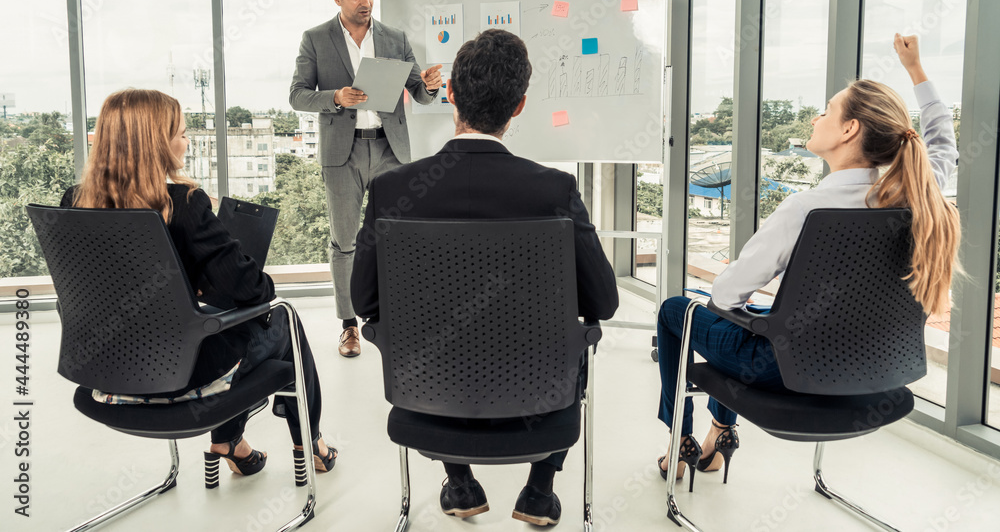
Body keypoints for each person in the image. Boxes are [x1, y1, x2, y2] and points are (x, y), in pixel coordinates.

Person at [654, 33, 961, 489]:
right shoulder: (917, 195)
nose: (817, 118)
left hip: (789, 372)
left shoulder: (805, 210)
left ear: (850, 129)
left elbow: (725, 294)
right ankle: (720, 433)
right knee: (748, 316)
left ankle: (680, 440)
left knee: (681, 308)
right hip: (875, 369)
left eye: (828, 110)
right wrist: (917, 71)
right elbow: (942, 146)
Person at [350, 29, 619, 526]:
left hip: (428, 399)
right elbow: (603, 301)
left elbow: (364, 300)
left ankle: (459, 481)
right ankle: (539, 490)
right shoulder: (553, 189)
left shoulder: (393, 189)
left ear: (450, 93)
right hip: (540, 403)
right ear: (518, 107)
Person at [63, 88, 336, 481]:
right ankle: (310, 445)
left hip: (103, 374)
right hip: (177, 377)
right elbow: (257, 292)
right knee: (282, 323)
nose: (186, 142)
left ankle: (233, 445)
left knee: (235, 331)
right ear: (158, 143)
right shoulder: (185, 203)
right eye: (182, 133)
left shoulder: (74, 203)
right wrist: (220, 254)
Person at [289, 0, 444, 358]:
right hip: (344, 152)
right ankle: (349, 326)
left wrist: (428, 86)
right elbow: (297, 95)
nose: (366, 2)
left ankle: (396, 317)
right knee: (344, 242)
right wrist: (336, 98)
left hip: (392, 149)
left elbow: (419, 94)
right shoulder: (315, 39)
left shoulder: (394, 38)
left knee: (398, 237)